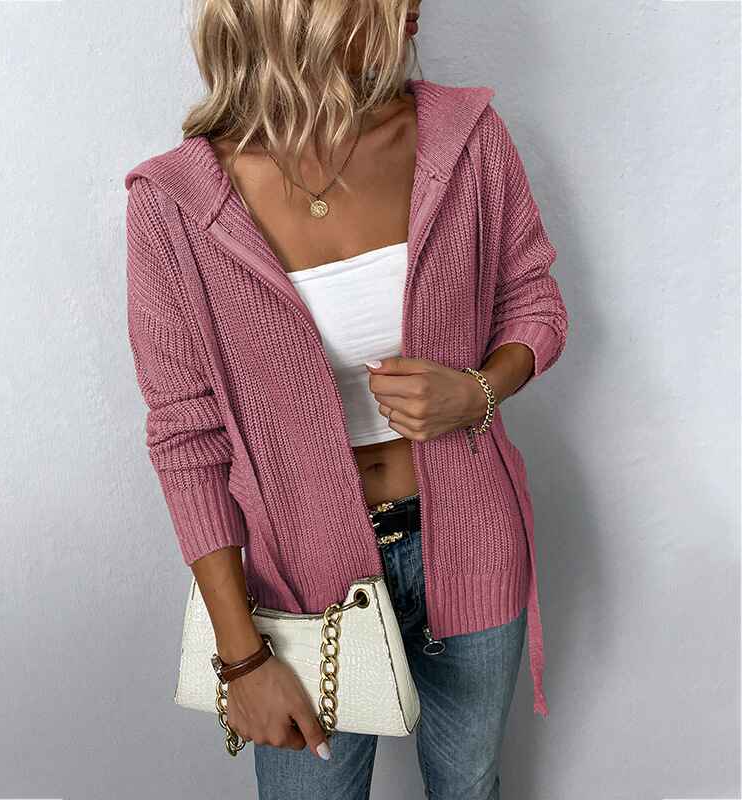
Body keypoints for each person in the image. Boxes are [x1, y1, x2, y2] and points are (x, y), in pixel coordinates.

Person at [124, 1, 568, 797]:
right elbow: (187, 438)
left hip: (472, 541)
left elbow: (534, 300)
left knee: (470, 785)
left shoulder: (464, 138)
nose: (414, 6)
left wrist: (477, 391)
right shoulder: (175, 204)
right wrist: (241, 658)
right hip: (302, 582)